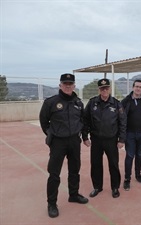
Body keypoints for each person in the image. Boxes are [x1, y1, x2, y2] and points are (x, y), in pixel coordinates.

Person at [39, 73, 88, 218]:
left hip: (74, 141)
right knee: (54, 173)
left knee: (75, 170)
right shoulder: (51, 102)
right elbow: (44, 122)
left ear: (74, 86)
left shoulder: (79, 103)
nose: (68, 86)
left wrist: (83, 137)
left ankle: (73, 195)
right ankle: (52, 203)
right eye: (65, 84)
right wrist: (51, 135)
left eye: (70, 84)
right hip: (58, 142)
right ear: (60, 85)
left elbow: (83, 122)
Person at [82, 78, 127, 199]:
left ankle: (115, 187)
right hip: (96, 140)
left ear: (110, 89)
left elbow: (122, 122)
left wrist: (122, 139)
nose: (104, 90)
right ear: (99, 90)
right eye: (102, 88)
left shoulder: (117, 104)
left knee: (113, 164)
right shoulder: (92, 103)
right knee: (95, 164)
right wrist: (85, 137)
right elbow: (85, 120)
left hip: (111, 140)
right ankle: (97, 187)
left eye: (106, 88)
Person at [121, 79, 141, 191]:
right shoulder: (126, 101)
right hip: (129, 134)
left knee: (139, 155)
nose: (138, 88)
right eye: (136, 86)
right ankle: (127, 179)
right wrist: (121, 134)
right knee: (130, 156)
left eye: (140, 87)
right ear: (133, 87)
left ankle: (138, 175)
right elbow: (120, 117)